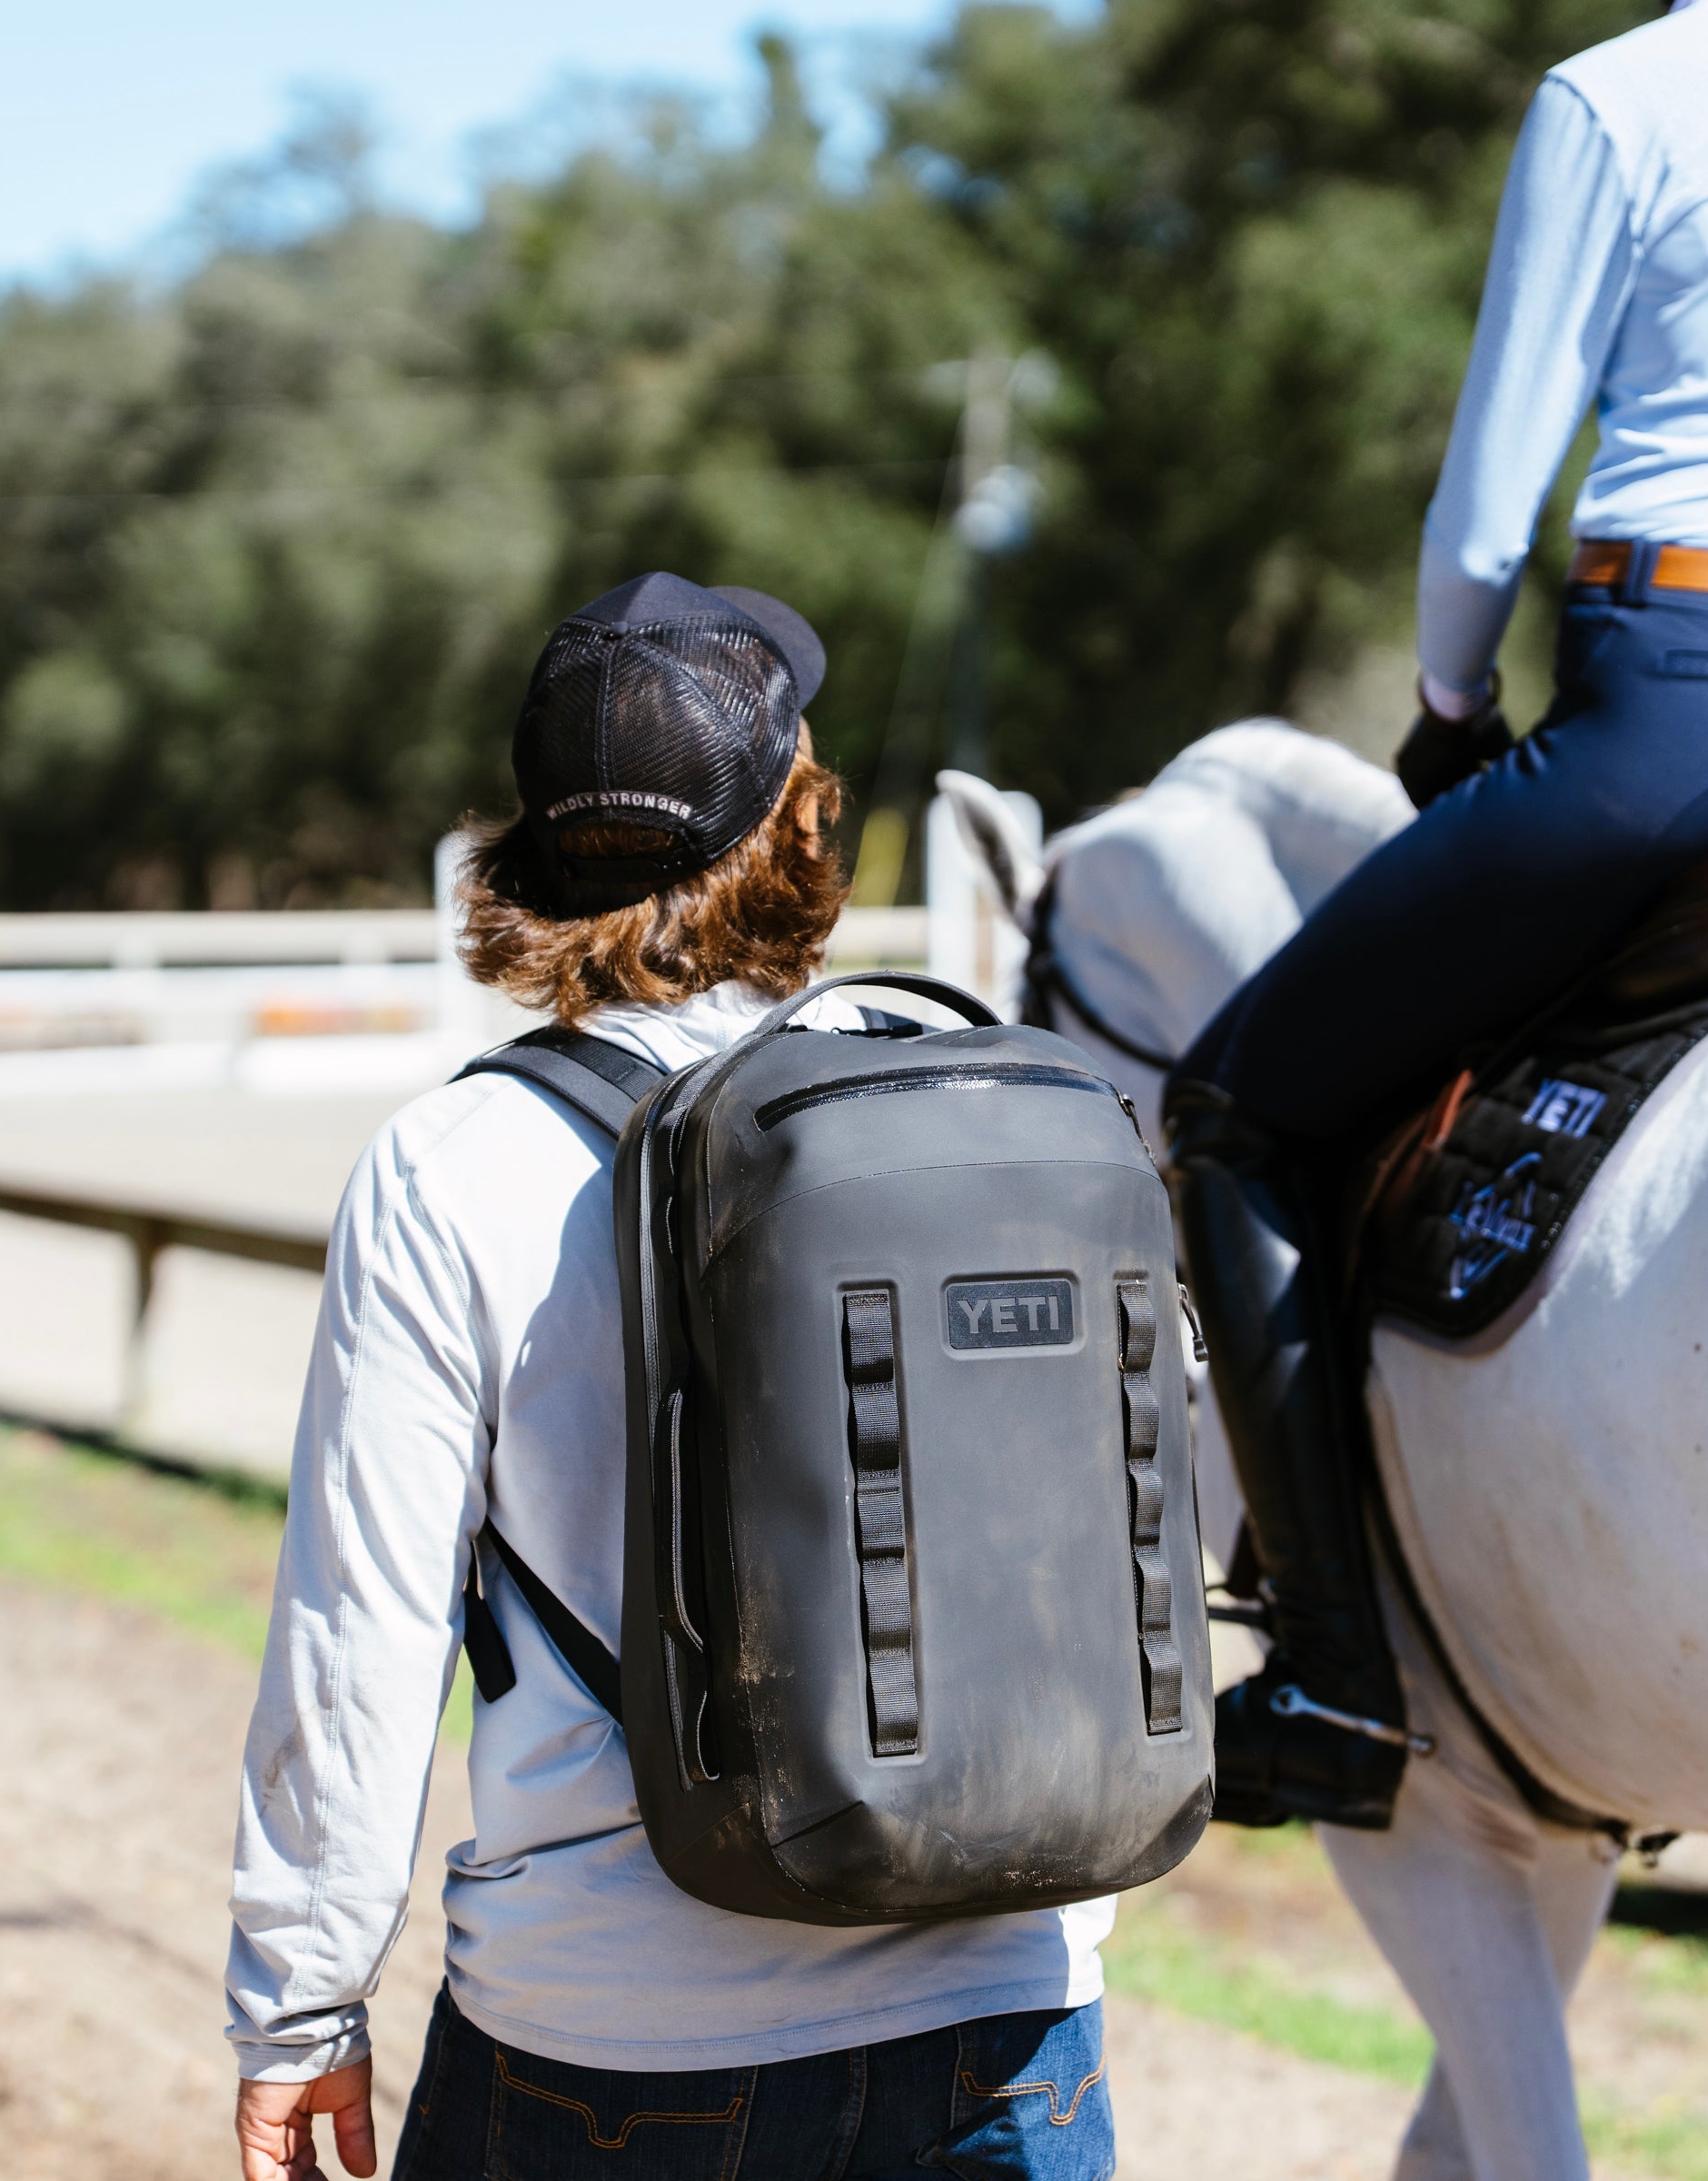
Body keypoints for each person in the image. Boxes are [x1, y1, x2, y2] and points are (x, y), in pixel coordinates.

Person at [1167, 0, 1708, 1828]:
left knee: (1237, 1106)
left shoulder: (1613, 97)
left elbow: (1488, 500)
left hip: (1693, 710)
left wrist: (1453, 704)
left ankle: (1331, 1681)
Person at [227, 573, 1117, 2181]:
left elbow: (360, 1636)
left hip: (617, 2033)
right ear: (799, 827)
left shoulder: (451, 1164)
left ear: (531, 850)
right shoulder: (975, 1110)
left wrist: (300, 2008)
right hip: (1007, 2013)